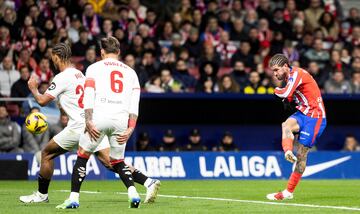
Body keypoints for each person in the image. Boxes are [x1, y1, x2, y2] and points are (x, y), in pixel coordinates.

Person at [20, 43, 159, 206]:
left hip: (80, 126)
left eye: (53, 59)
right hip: (93, 121)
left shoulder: (61, 77)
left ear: (56, 57)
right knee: (112, 162)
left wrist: (34, 89)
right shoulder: (80, 74)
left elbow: (42, 101)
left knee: (47, 154)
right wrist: (64, 108)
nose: (53, 62)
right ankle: (148, 182)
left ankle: (44, 195)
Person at [56, 37, 156, 209]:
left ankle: (73, 198)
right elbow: (134, 104)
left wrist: (88, 120)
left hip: (99, 117)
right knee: (117, 160)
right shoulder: (131, 72)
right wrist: (131, 128)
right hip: (121, 121)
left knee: (82, 157)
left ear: (102, 52)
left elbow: (88, 95)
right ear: (118, 52)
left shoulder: (93, 68)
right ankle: (133, 193)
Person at [266, 54, 327, 201]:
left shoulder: (297, 74)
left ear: (286, 66)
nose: (275, 74)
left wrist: (275, 91)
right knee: (285, 125)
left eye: (276, 70)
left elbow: (285, 93)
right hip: (303, 113)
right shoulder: (288, 78)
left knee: (301, 155)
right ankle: (287, 151)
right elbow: (289, 96)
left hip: (315, 117)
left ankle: (288, 191)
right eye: (273, 71)